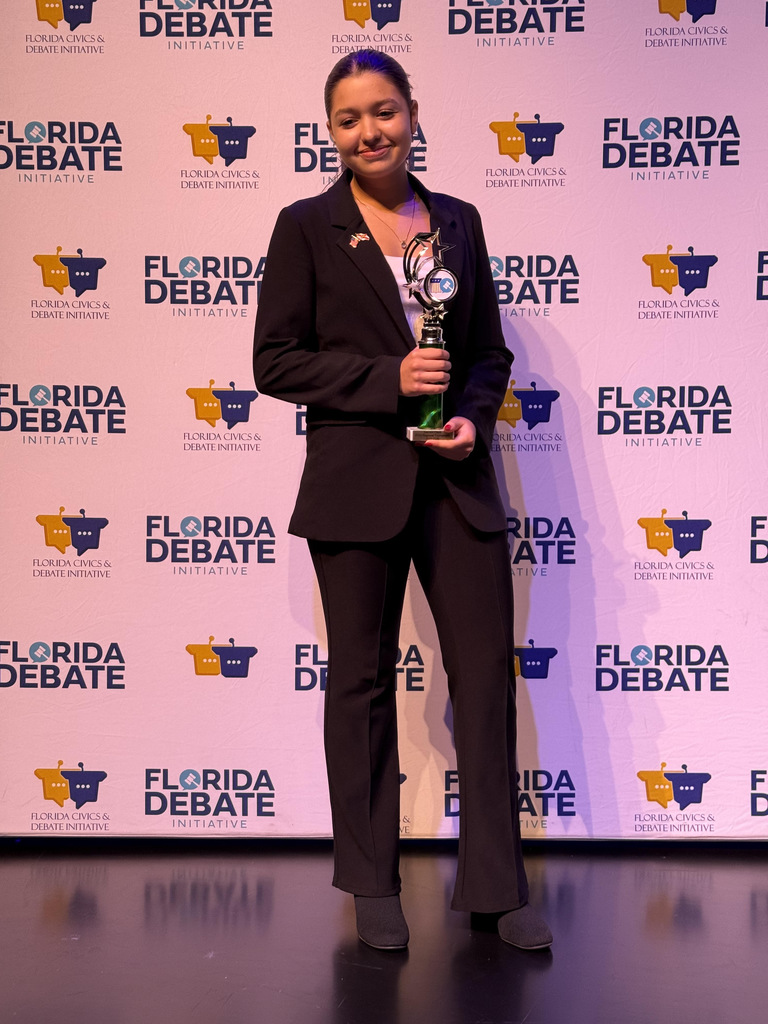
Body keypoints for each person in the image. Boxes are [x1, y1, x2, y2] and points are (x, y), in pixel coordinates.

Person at [253, 49, 552, 952]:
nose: (368, 131)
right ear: (330, 131)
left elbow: (489, 352)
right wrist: (390, 379)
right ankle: (370, 882)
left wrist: (466, 416)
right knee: (359, 683)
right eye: (348, 119)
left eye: (383, 112)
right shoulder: (305, 226)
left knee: (483, 687)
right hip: (355, 486)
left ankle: (496, 888)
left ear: (413, 114)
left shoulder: (459, 221)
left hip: (456, 484)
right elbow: (275, 363)